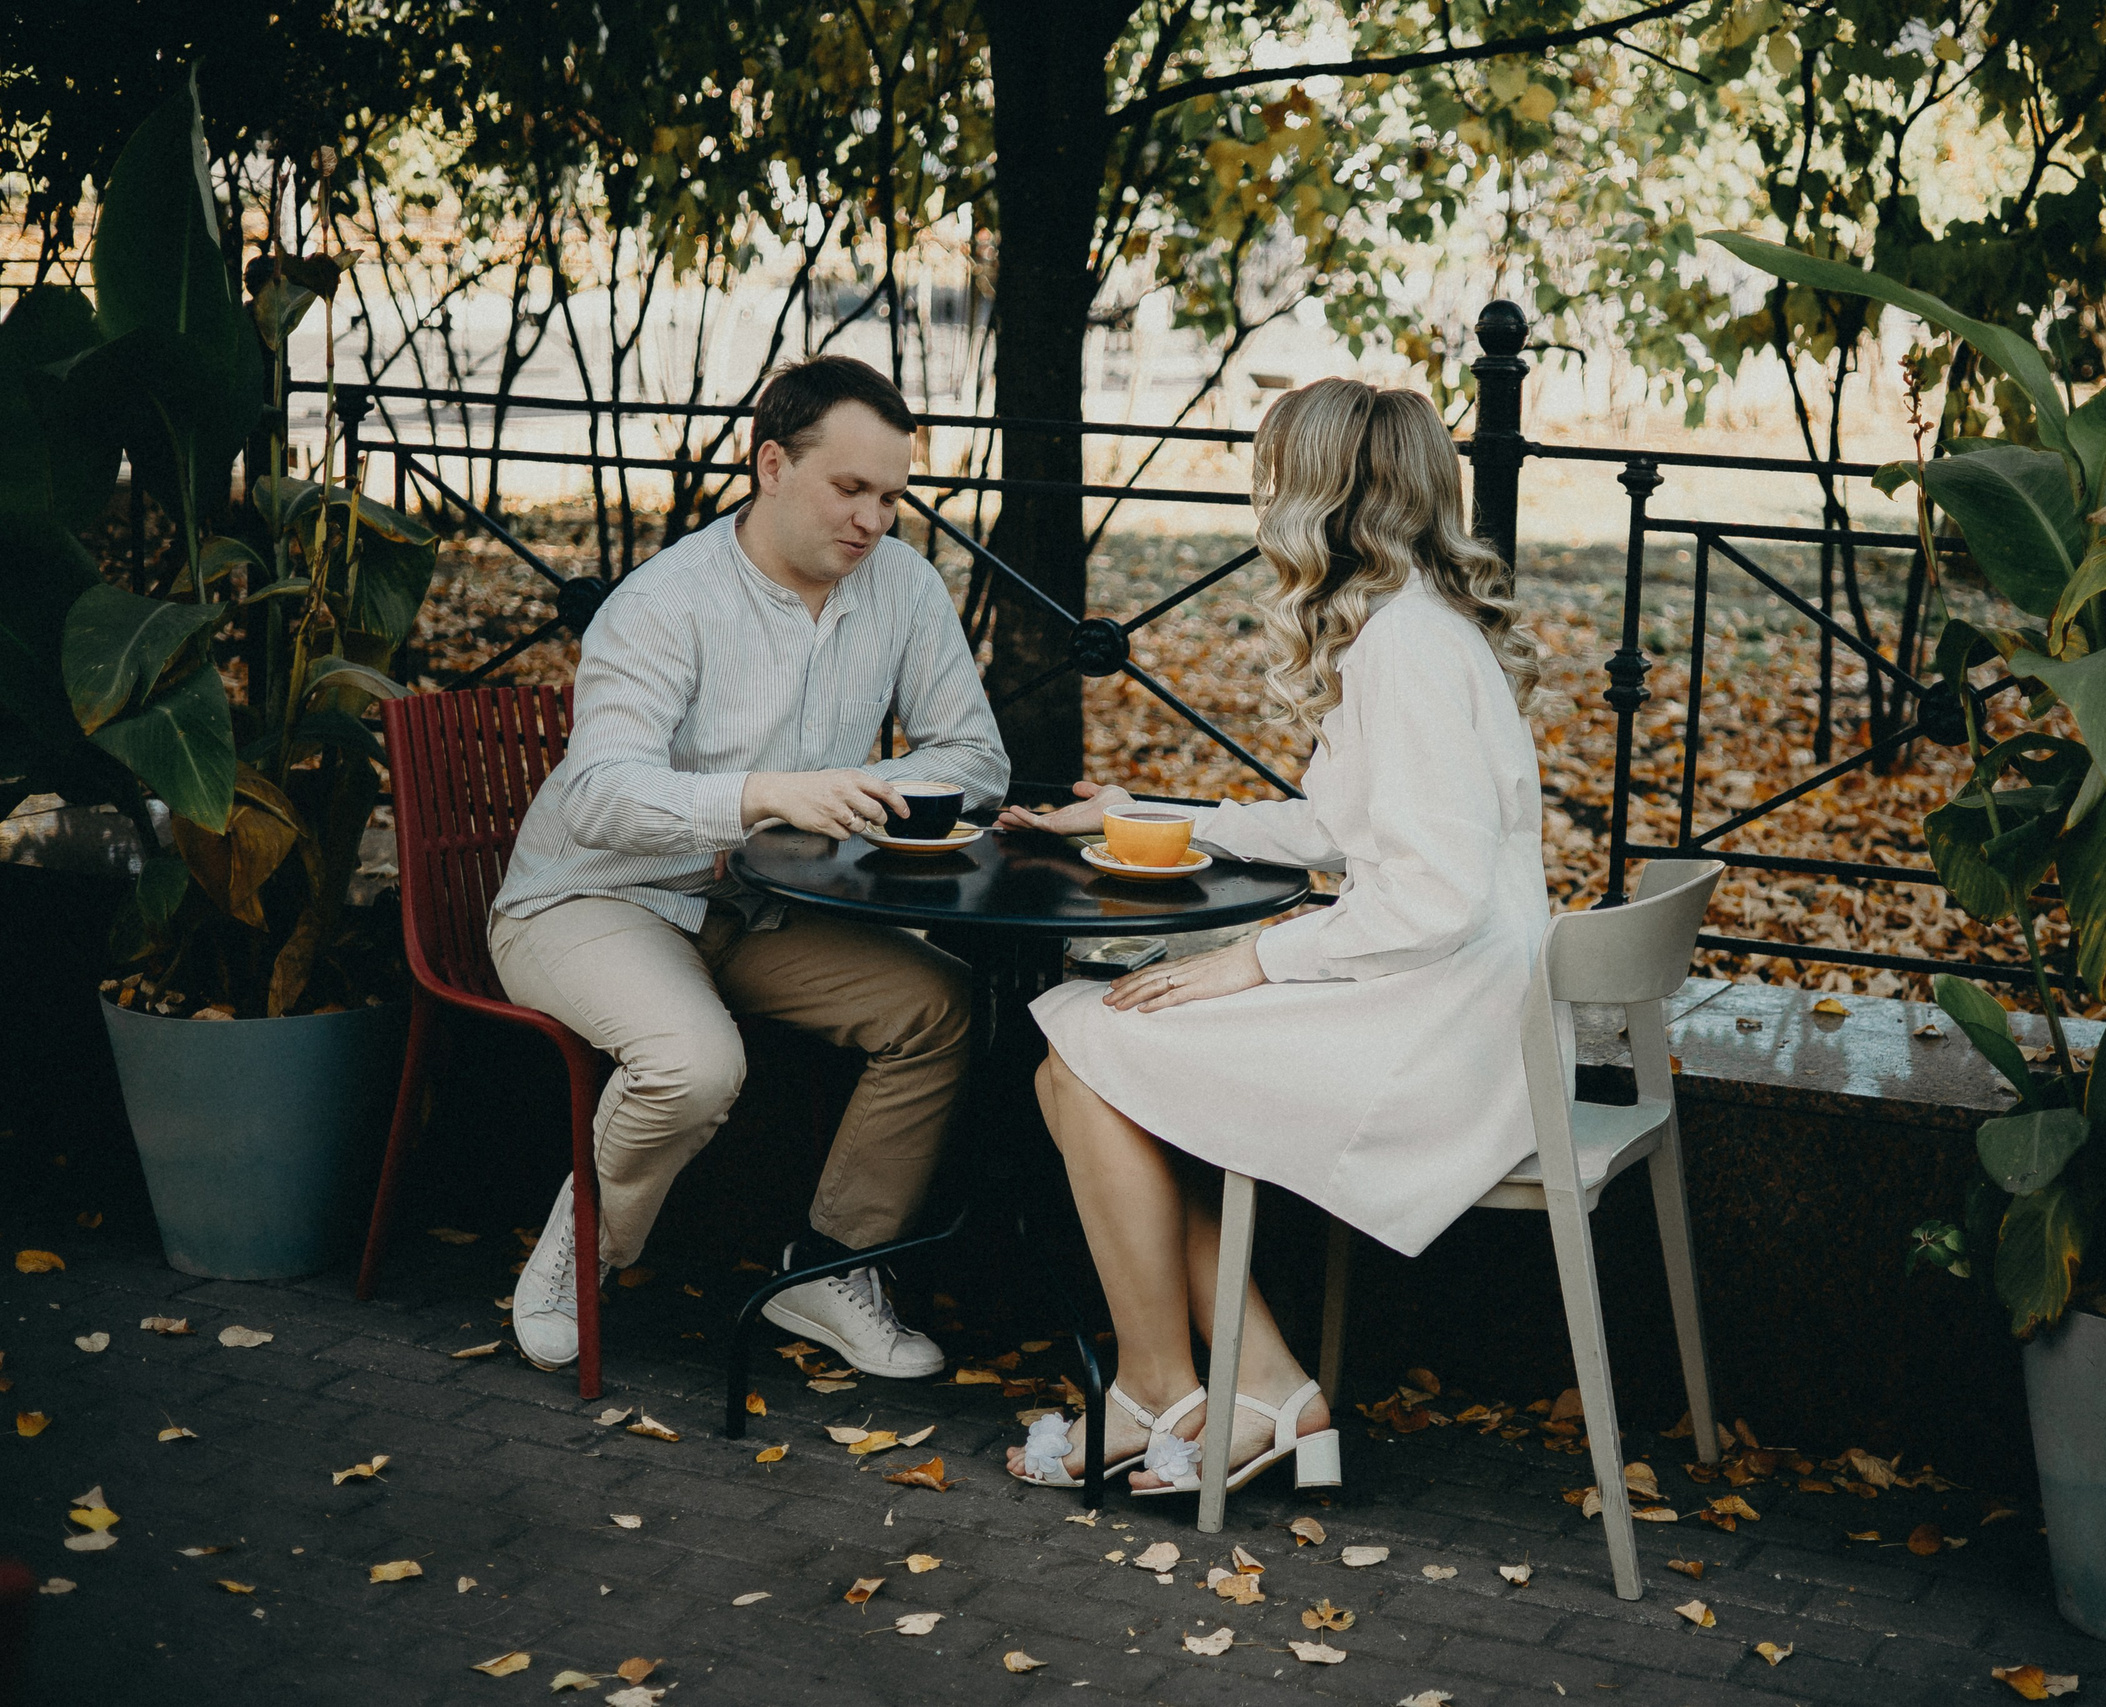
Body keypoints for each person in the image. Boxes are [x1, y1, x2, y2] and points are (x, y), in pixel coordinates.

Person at [996, 379, 1548, 1494]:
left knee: (1086, 1042)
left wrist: (1248, 962)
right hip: (1455, 1001)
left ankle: (1170, 1389)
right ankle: (1257, 1390)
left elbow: (1428, 895)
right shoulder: (1417, 628)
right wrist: (1143, 817)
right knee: (1087, 1061)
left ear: (1319, 499)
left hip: (1441, 1033)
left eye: (1273, 479)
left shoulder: (1402, 646)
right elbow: (1344, 829)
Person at [487, 355, 1007, 1380]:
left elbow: (975, 755)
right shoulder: (663, 601)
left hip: (761, 906)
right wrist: (765, 792)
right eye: (849, 488)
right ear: (771, 464)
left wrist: (859, 789)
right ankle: (580, 1253)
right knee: (694, 1065)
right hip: (594, 895)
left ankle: (829, 1270)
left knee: (942, 1008)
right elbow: (596, 794)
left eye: (893, 496)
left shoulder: (897, 583)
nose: (872, 519)